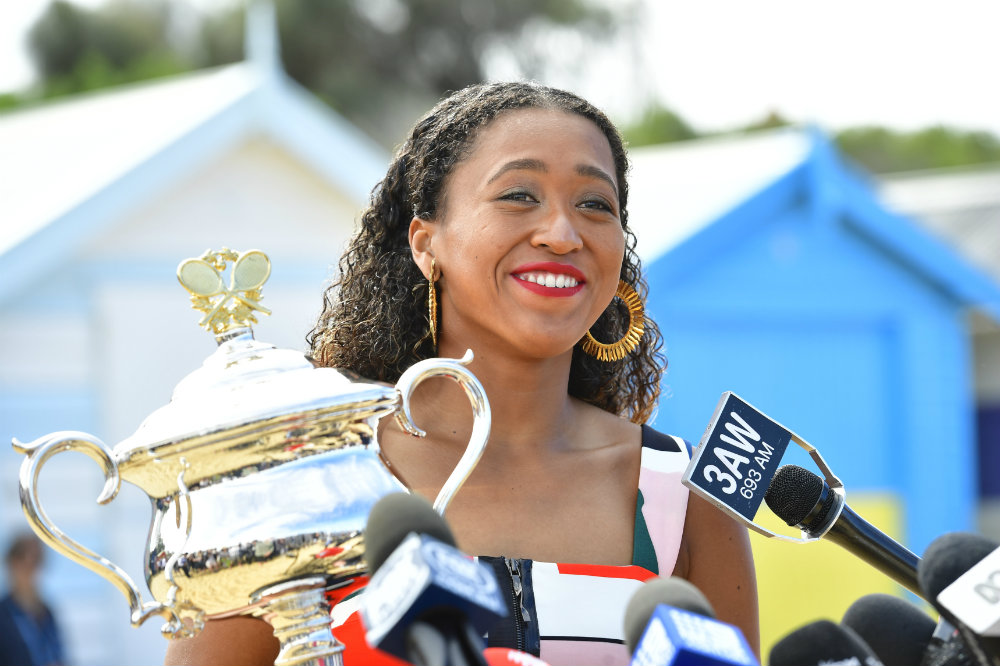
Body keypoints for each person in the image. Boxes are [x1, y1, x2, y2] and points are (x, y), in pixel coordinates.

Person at [163, 81, 758, 665]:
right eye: (518, 195)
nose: (562, 234)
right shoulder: (304, 470)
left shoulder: (684, 493)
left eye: (595, 205)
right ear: (426, 244)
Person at [0, 533, 66, 666]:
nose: (30, 568)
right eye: (23, 558)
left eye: (36, 560)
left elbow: (59, 656)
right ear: (11, 563)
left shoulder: (47, 612)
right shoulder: (3, 614)